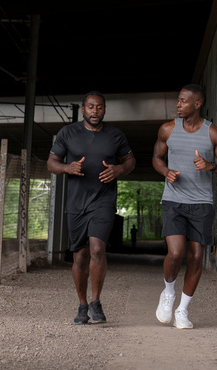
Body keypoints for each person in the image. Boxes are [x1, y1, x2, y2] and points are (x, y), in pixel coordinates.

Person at [47, 91, 135, 324]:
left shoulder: (115, 135)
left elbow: (130, 161)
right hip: (76, 202)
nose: (95, 111)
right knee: (81, 255)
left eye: (99, 107)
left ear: (104, 109)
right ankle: (82, 304)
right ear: (83, 108)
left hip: (103, 200)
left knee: (97, 249)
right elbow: (51, 163)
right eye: (90, 107)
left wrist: (119, 170)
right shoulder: (68, 133)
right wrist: (67, 168)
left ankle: (96, 302)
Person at [152, 84, 217, 329]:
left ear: (197, 104)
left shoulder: (213, 133)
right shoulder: (167, 129)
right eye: (178, 100)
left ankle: (182, 311)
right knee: (176, 253)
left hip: (201, 203)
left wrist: (211, 166)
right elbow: (156, 158)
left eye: (183, 101)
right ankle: (168, 293)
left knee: (196, 257)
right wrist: (166, 171)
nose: (178, 104)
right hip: (174, 201)